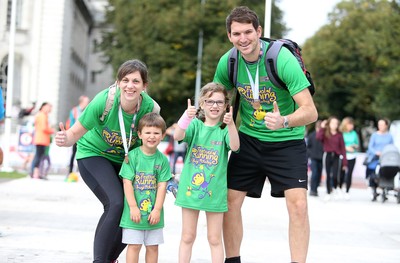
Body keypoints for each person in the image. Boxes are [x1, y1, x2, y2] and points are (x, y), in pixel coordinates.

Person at [213, 6, 318, 263]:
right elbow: (216, 100)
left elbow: (310, 111)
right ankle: (232, 260)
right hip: (248, 140)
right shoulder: (229, 62)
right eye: (237, 33)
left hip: (287, 141)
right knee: (229, 201)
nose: (243, 38)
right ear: (229, 36)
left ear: (258, 31)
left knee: (299, 206)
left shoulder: (281, 59)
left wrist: (284, 120)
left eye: (248, 31)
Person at [55, 59, 160, 263]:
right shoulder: (104, 102)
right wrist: (64, 138)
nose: (130, 85)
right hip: (94, 154)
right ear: (118, 82)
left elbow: (148, 143)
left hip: (126, 160)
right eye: (125, 80)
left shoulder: (150, 109)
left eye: (136, 81)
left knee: (136, 208)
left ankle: (111, 259)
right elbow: (74, 134)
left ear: (144, 86)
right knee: (116, 202)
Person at [174, 83, 239, 263]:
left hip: (215, 193)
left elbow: (235, 146)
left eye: (219, 102)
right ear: (202, 104)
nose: (214, 106)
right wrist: (185, 118)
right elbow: (177, 136)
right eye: (210, 101)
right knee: (187, 236)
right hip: (190, 191)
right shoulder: (195, 125)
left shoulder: (225, 129)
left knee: (215, 238)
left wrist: (232, 124)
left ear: (226, 105)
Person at [119, 112, 171, 263]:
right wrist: (133, 207)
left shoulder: (162, 160)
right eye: (148, 132)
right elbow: (127, 182)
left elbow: (162, 186)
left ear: (162, 135)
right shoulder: (132, 157)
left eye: (156, 133)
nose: (152, 136)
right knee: (134, 246)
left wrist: (157, 210)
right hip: (133, 215)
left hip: (153, 216)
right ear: (140, 134)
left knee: (153, 247)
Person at [316, 117, 347, 201]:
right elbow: (318, 137)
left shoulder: (339, 134)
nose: (334, 125)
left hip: (337, 156)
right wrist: (322, 127)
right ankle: (328, 192)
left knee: (335, 175)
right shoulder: (325, 133)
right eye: (332, 123)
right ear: (329, 124)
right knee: (328, 175)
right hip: (327, 155)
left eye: (336, 123)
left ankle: (335, 188)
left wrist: (345, 162)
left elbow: (343, 148)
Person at [365, 118, 394, 201]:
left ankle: (385, 187)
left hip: (385, 158)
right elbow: (370, 147)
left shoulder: (389, 136)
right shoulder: (374, 135)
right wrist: (376, 152)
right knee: (373, 171)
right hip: (375, 157)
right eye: (379, 125)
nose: (380, 126)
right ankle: (373, 188)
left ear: (386, 125)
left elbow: (391, 147)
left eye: (382, 124)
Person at [67, 95, 90, 178]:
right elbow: (71, 123)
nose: (88, 103)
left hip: (85, 136)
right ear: (82, 102)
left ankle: (84, 174)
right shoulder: (74, 111)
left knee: (85, 155)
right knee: (73, 154)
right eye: (87, 102)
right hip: (76, 135)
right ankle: (70, 172)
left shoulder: (88, 110)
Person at [30, 102, 55, 179]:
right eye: (49, 107)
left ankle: (35, 173)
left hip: (41, 139)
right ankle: (34, 173)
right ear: (43, 107)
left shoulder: (41, 115)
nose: (50, 109)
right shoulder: (42, 115)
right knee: (38, 157)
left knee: (38, 156)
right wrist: (52, 130)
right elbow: (44, 128)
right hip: (41, 139)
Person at [339, 117, 360, 200]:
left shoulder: (354, 133)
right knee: (341, 173)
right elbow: (339, 145)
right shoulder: (341, 133)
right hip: (343, 156)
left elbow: (357, 145)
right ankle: (340, 188)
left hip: (352, 156)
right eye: (349, 124)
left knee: (349, 174)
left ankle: (347, 191)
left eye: (352, 124)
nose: (351, 126)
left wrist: (353, 146)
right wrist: (346, 148)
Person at [306, 120, 324, 197]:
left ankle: (315, 189)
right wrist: (310, 155)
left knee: (319, 174)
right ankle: (312, 190)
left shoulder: (323, 136)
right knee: (315, 173)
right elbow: (308, 147)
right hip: (313, 158)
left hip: (321, 158)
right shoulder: (311, 135)